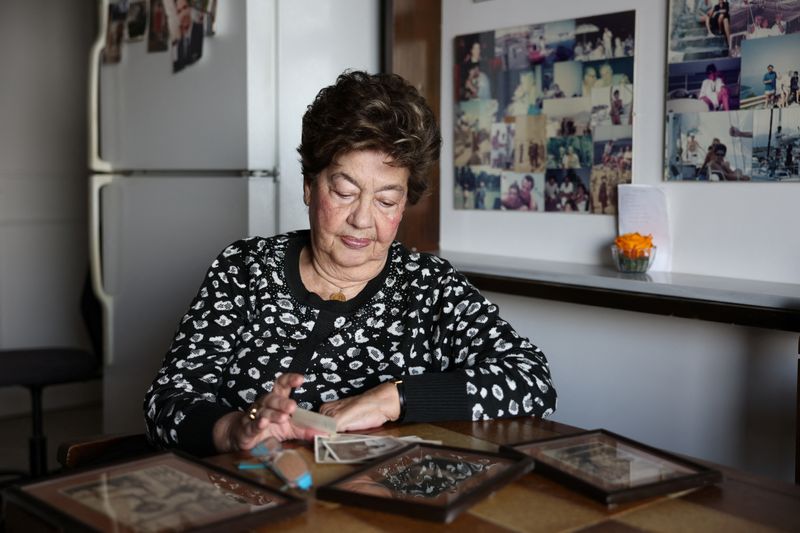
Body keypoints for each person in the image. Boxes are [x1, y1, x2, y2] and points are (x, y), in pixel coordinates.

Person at [143, 71, 557, 456]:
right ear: (309, 186)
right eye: (344, 191)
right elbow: (167, 403)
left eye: (386, 200)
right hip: (249, 493)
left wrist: (393, 398)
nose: (363, 219)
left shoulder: (430, 287)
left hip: (376, 502)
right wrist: (233, 428)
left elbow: (532, 380)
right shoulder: (245, 268)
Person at [172, 0, 204, 72]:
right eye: (179, 11)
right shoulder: (175, 41)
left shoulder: (201, 30)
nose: (183, 13)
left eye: (185, 7)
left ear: (190, 8)